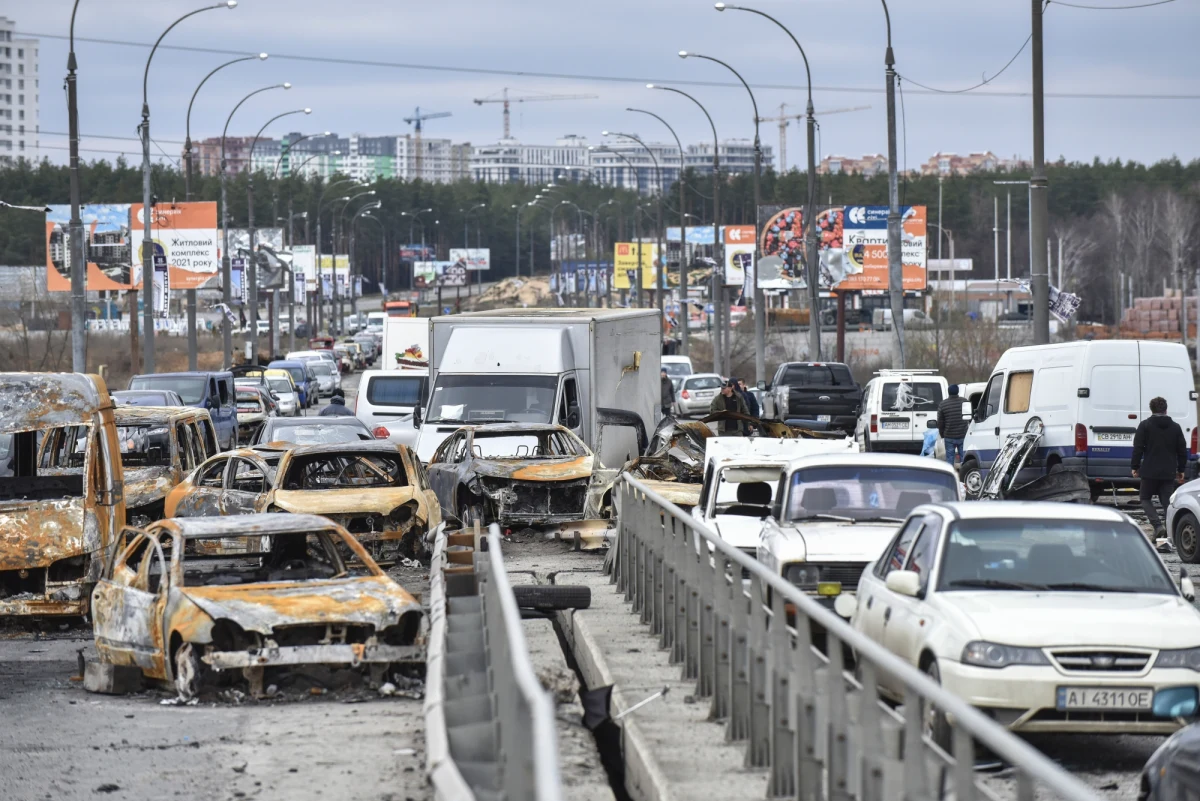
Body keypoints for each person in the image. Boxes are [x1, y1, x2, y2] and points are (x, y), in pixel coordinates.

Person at [1132, 396, 1187, 549]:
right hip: (1168, 472)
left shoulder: (1145, 426)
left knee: (1145, 497)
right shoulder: (1176, 427)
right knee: (1167, 504)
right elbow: (1182, 450)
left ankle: (1157, 526)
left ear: (1152, 410)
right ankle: (1167, 535)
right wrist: (1181, 469)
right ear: (1166, 410)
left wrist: (1135, 466)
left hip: (1149, 471)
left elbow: (1138, 448)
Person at [936, 384, 970, 467]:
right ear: (958, 391)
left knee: (950, 458)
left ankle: (950, 475)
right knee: (964, 458)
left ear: (948, 392)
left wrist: (942, 434)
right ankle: (963, 475)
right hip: (963, 435)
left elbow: (940, 422)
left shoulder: (943, 404)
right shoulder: (965, 402)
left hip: (949, 436)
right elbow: (969, 417)